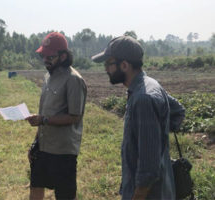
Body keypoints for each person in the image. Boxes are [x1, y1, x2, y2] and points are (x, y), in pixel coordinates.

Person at [92, 36, 185, 200]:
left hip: (150, 194)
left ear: (124, 65)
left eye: (108, 64)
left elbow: (148, 169)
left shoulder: (143, 98)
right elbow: (178, 111)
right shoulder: (150, 85)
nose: (106, 69)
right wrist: (159, 135)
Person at [25, 32, 87, 200]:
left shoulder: (73, 80)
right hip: (44, 146)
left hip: (62, 150)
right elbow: (45, 112)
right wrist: (36, 142)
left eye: (49, 56)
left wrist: (44, 120)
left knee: (65, 194)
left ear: (63, 56)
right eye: (43, 55)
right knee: (36, 186)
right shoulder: (48, 77)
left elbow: (75, 116)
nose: (45, 59)